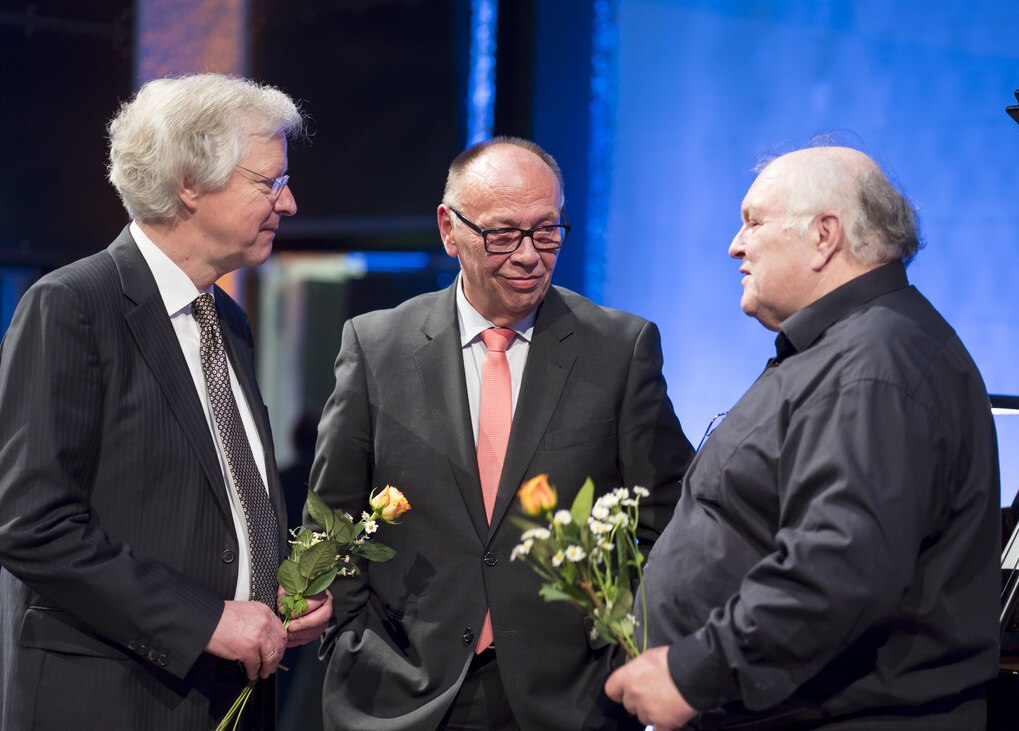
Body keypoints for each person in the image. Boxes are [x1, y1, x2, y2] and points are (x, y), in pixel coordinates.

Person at [606, 146, 1000, 730]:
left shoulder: (874, 364)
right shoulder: (851, 350)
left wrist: (693, 672)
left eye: (753, 222)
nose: (735, 245)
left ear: (824, 235)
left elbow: (838, 566)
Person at [310, 136, 695, 730]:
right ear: (449, 229)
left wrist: (619, 642)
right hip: (402, 694)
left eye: (547, 232)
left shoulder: (619, 350)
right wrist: (353, 642)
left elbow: (668, 523)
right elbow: (331, 524)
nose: (528, 255)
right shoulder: (376, 346)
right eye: (503, 234)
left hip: (570, 699)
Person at [0, 73, 331, 731]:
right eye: (269, 182)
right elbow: (31, 524)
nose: (288, 202)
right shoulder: (73, 306)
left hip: (229, 700)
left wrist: (274, 594)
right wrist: (206, 618)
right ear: (189, 184)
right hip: (111, 701)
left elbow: (214, 503)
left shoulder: (227, 319)